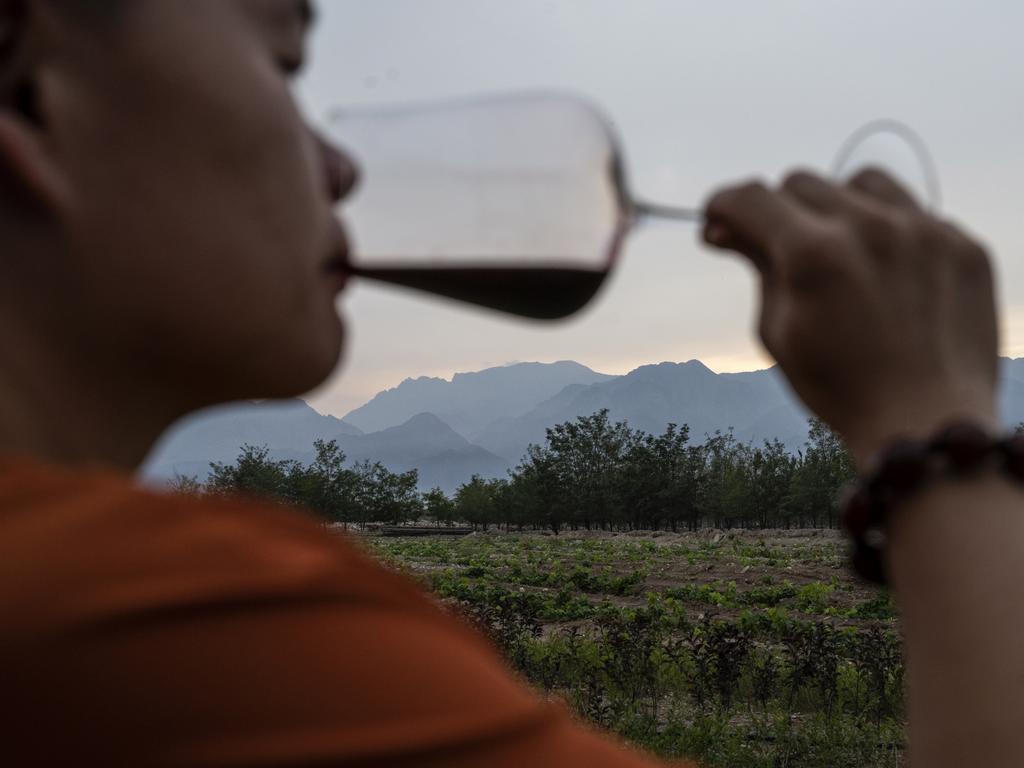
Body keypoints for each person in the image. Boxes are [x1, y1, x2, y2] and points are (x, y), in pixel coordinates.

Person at [0, 0, 1017, 766]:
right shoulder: (149, 629)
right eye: (286, 66)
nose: (342, 171)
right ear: (33, 95)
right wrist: (931, 417)